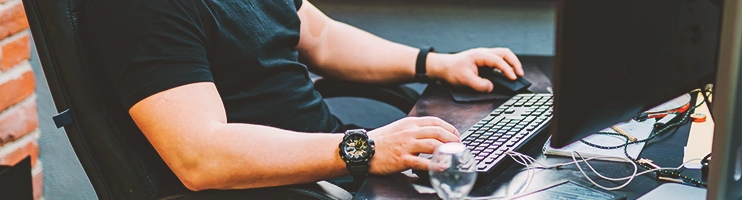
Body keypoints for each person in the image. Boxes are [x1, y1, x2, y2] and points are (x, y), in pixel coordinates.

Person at [86, 0, 524, 191]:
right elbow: (200, 156)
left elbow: (322, 37)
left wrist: (436, 63)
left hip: (342, 170)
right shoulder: (141, 7)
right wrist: (364, 148)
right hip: (296, 188)